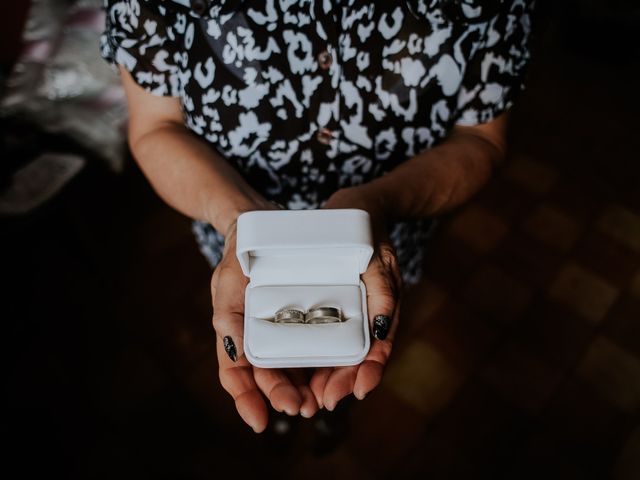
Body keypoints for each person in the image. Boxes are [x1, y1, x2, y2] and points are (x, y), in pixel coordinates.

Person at [101, 0, 535, 433]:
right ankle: (289, 411)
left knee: (361, 348)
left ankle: (335, 408)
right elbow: (156, 126)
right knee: (283, 365)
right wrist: (241, 222)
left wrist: (376, 206)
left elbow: (481, 139)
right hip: (242, 247)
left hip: (385, 235)